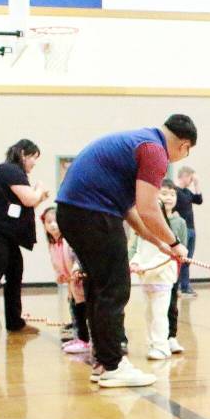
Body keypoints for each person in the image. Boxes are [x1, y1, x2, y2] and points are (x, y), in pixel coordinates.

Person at [55, 114, 194, 388]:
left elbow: (130, 209)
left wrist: (158, 242)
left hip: (73, 212)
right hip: (94, 214)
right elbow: (148, 208)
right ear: (185, 146)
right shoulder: (155, 151)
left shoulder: (139, 142)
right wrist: (176, 243)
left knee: (99, 288)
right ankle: (114, 366)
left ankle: (102, 362)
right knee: (114, 289)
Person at [0, 139, 51, 340]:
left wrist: (39, 197)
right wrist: (39, 189)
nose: (34, 163)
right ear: (23, 154)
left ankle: (14, 322)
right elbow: (29, 199)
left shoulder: (15, 173)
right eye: (33, 158)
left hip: (5, 233)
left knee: (15, 271)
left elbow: (25, 205)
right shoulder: (9, 170)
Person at [129, 200, 179, 360]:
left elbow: (163, 258)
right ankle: (152, 343)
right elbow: (139, 252)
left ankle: (161, 346)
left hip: (161, 281)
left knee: (159, 315)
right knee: (149, 314)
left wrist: (145, 268)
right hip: (147, 281)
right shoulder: (143, 236)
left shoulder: (167, 236)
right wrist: (135, 262)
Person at [40, 206, 89, 355]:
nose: (53, 225)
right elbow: (57, 263)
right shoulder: (52, 244)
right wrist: (60, 275)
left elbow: (78, 257)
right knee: (74, 309)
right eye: (49, 222)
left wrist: (77, 269)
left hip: (80, 281)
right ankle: (79, 337)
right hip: (71, 284)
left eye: (56, 221)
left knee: (82, 310)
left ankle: (85, 340)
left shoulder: (70, 239)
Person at [158, 180, 187, 354]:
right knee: (157, 308)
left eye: (172, 194)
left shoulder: (180, 222)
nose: (169, 198)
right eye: (164, 194)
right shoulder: (153, 220)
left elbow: (183, 246)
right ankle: (158, 339)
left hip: (172, 271)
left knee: (172, 305)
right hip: (155, 271)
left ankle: (171, 337)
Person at [174, 165, 203, 297]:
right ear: (184, 176)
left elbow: (199, 200)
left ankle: (184, 285)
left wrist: (197, 184)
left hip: (191, 229)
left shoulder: (187, 192)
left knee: (188, 259)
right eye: (191, 179)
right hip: (182, 230)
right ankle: (182, 286)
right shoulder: (174, 191)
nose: (191, 182)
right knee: (182, 259)